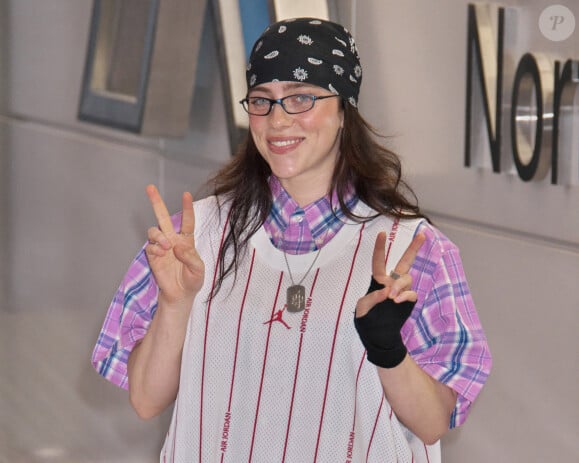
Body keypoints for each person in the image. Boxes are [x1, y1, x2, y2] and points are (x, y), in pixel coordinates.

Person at [92, 17, 491, 462]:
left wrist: (388, 348)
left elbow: (434, 422)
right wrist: (175, 303)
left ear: (344, 111)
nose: (277, 120)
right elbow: (146, 401)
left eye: (301, 98)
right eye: (262, 100)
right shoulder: (193, 235)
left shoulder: (411, 249)